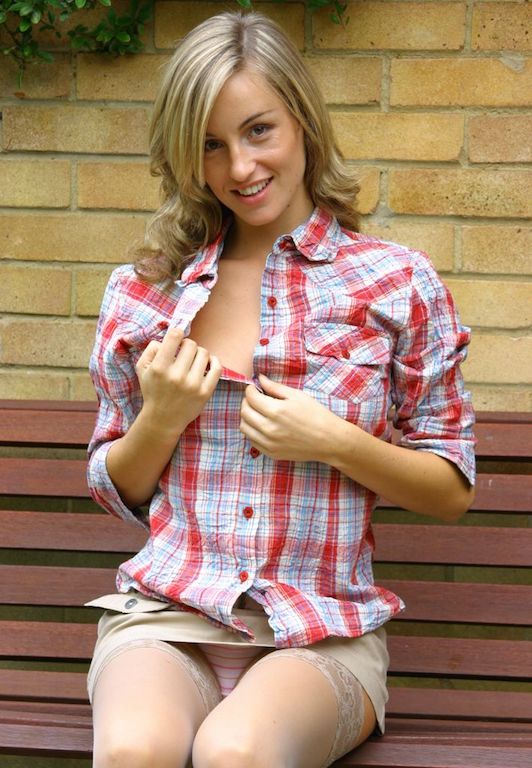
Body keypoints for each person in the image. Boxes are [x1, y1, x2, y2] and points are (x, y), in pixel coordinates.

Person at [85, 10, 476, 768]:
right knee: (136, 749)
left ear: (302, 122)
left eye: (258, 130)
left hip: (321, 630)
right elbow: (113, 487)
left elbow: (451, 488)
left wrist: (335, 442)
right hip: (166, 616)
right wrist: (160, 419)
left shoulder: (395, 282)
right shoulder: (146, 293)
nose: (239, 167)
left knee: (237, 751)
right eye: (210, 144)